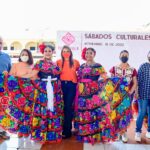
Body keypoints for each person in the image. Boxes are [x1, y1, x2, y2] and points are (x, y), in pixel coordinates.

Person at [74, 47, 117, 144]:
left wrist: (115, 81)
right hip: (82, 93)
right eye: (87, 53)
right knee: (83, 112)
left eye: (91, 53)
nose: (88, 55)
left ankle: (94, 134)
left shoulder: (98, 66)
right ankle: (85, 132)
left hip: (93, 93)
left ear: (94, 54)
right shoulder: (81, 66)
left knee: (93, 112)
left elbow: (105, 78)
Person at [110, 50, 137, 143]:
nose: (124, 56)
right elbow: (111, 82)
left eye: (126, 55)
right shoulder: (114, 68)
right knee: (116, 114)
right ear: (119, 56)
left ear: (128, 57)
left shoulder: (132, 70)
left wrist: (130, 92)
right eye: (123, 55)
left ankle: (124, 132)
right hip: (116, 96)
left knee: (125, 114)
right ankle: (117, 133)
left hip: (126, 96)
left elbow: (135, 83)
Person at [56, 45, 80, 139]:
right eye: (64, 51)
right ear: (61, 53)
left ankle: (67, 130)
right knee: (62, 107)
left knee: (68, 107)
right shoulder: (58, 62)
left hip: (71, 86)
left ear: (71, 52)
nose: (66, 52)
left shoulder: (76, 62)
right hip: (61, 85)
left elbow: (80, 72)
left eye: (67, 51)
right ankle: (61, 129)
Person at [135, 51, 150, 142]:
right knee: (142, 113)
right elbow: (137, 80)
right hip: (143, 93)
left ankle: (149, 131)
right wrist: (136, 92)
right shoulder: (143, 66)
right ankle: (138, 132)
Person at [0, 36, 11, 140]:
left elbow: (10, 71)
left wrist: (8, 74)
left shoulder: (6, 56)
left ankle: (3, 131)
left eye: (0, 42)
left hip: (3, 87)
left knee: (4, 109)